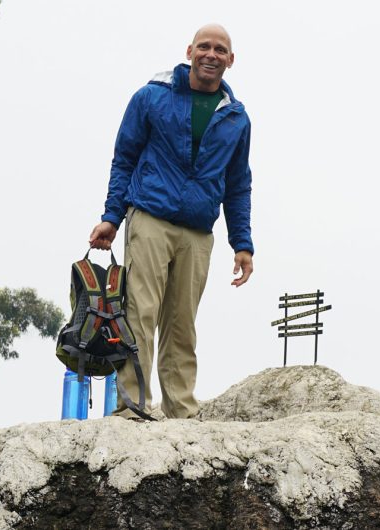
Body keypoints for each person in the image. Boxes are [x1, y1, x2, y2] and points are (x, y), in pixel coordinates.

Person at [88, 24, 254, 420]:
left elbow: (238, 185)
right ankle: (133, 406)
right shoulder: (152, 96)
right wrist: (111, 217)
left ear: (231, 60)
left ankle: (181, 409)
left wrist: (242, 244)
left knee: (182, 324)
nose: (211, 55)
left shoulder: (236, 118)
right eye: (204, 47)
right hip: (150, 218)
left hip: (198, 233)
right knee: (139, 312)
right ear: (189, 51)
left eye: (220, 50)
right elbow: (124, 157)